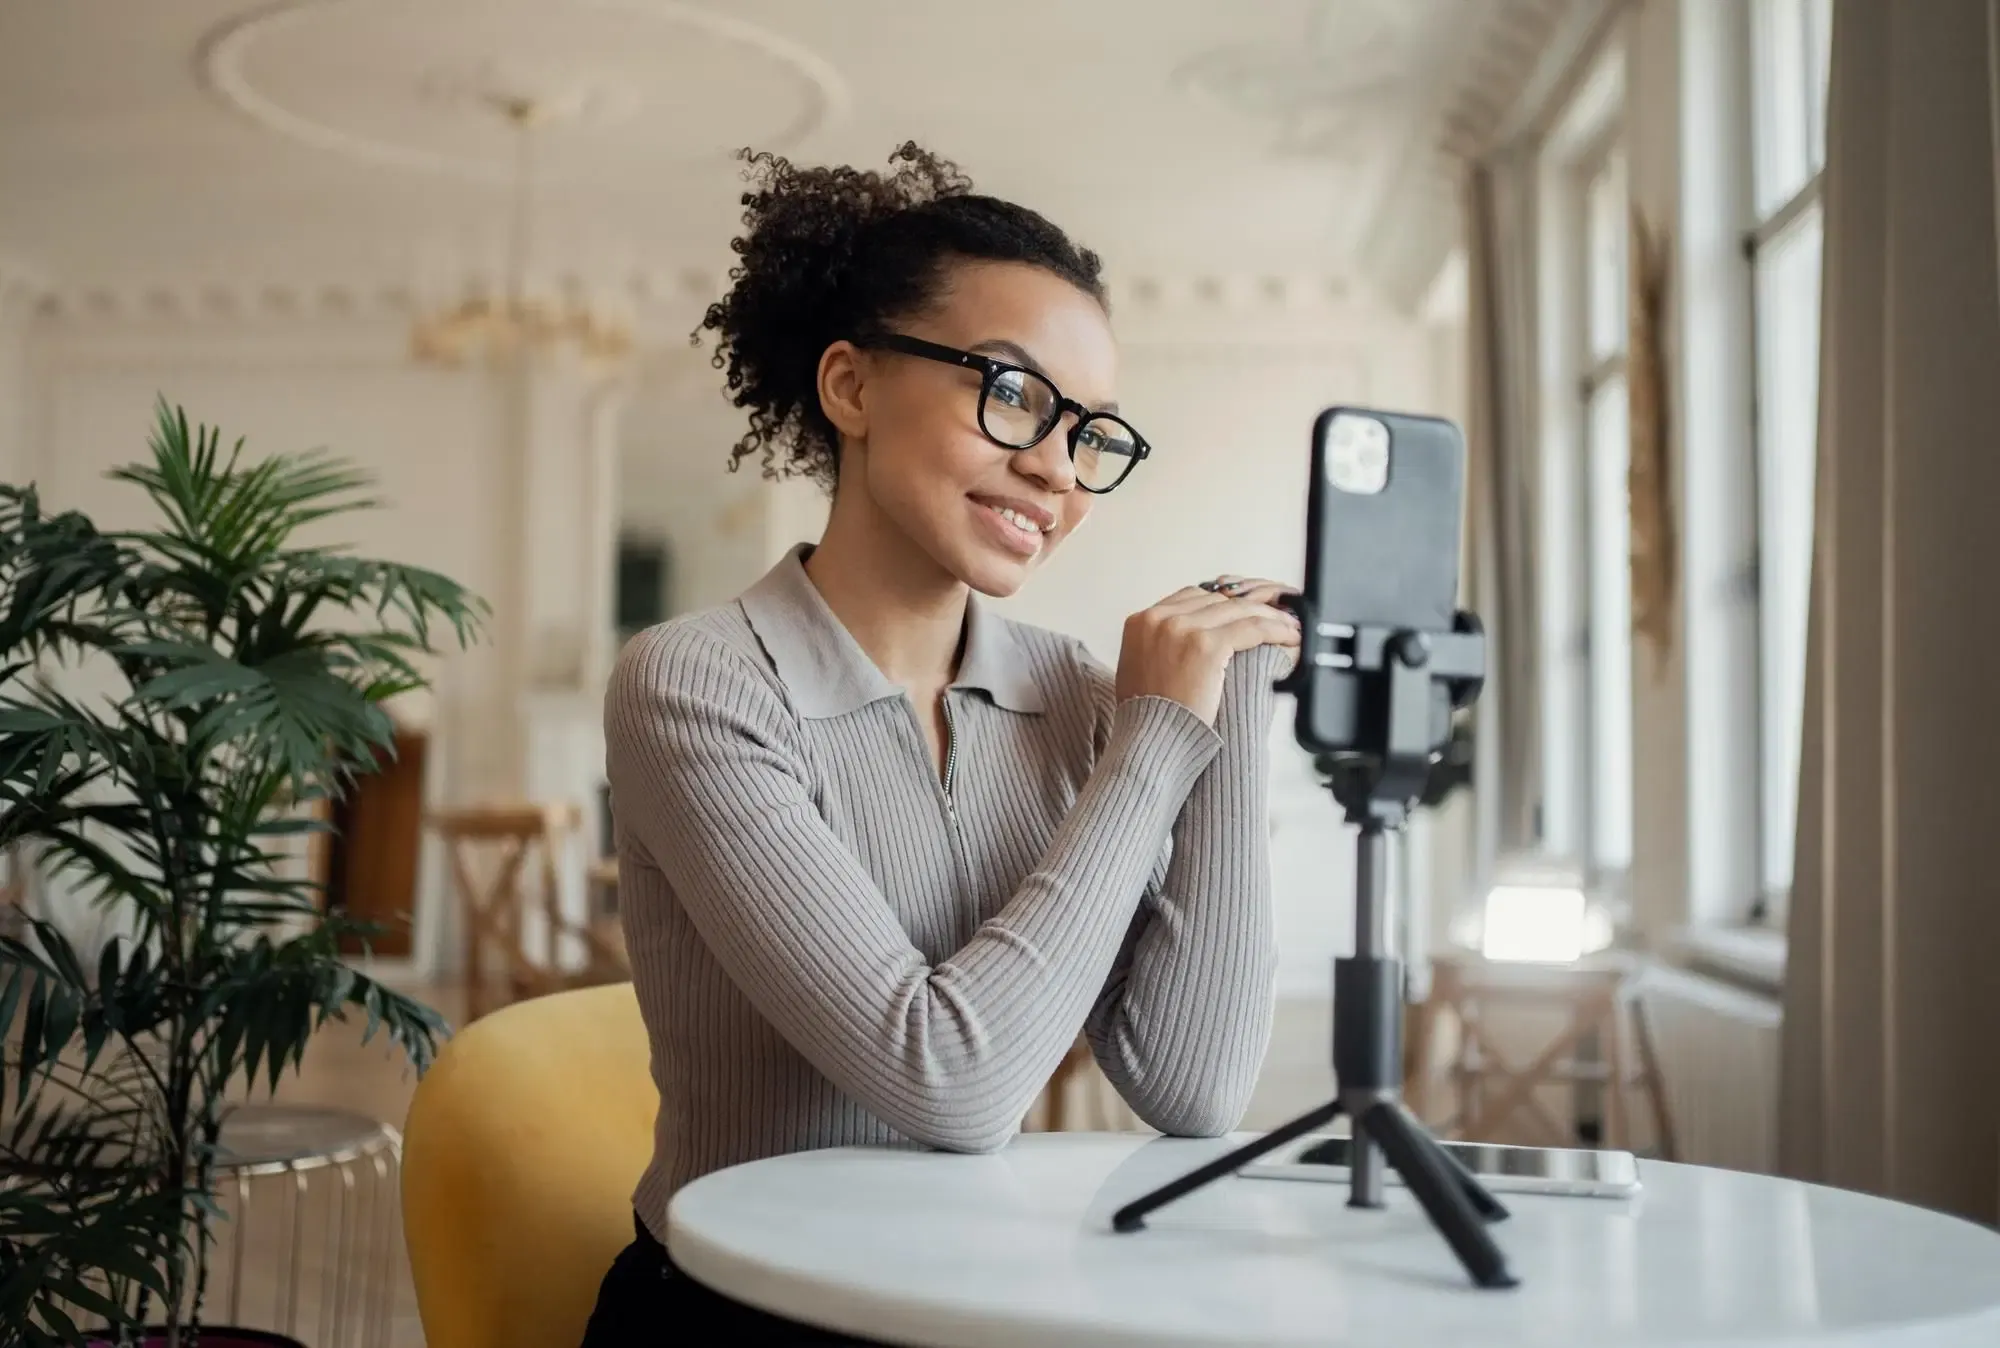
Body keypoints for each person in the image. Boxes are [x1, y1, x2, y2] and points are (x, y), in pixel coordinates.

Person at [582, 142, 1299, 1345]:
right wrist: (1155, 739)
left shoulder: (1075, 693)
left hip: (967, 1300)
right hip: (734, 1314)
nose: (1053, 470)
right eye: (1010, 393)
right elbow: (947, 1079)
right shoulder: (693, 684)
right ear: (851, 388)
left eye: (1090, 434)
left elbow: (1195, 1086)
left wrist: (1228, 715)